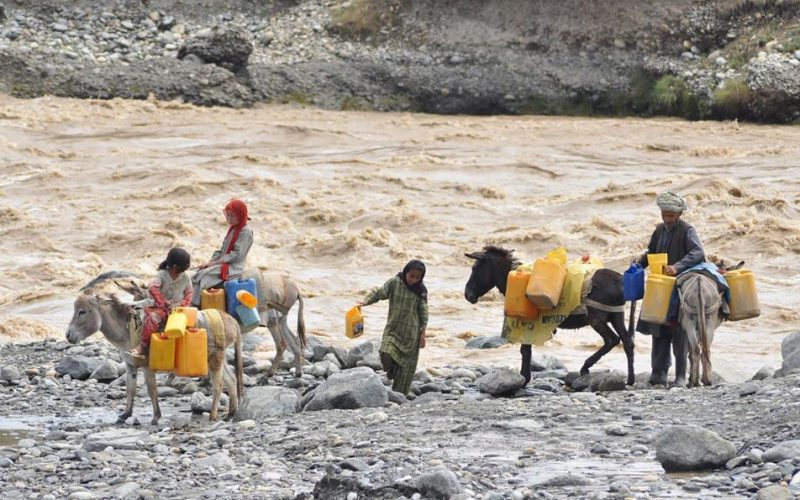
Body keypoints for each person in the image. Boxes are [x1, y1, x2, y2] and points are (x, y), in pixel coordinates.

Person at [635, 190, 706, 386]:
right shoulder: (659, 230)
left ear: (679, 215)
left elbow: (698, 252)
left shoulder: (687, 230)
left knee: (679, 331)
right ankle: (658, 374)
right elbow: (651, 252)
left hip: (680, 286)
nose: (667, 219)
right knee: (658, 329)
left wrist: (677, 266)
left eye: (671, 216)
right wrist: (637, 266)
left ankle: (681, 376)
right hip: (660, 286)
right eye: (664, 215)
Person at [358, 259, 429, 395]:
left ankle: (398, 402)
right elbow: (380, 293)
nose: (413, 280)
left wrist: (423, 333)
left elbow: (424, 313)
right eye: (411, 275)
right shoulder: (394, 282)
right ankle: (391, 370)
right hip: (393, 330)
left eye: (417, 277)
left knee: (402, 382)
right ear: (405, 271)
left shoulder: (421, 292)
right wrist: (366, 301)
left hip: (411, 335)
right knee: (385, 353)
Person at [128, 247, 193, 359]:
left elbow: (189, 293)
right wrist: (162, 301)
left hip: (178, 310)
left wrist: (181, 304)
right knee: (152, 318)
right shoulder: (162, 274)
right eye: (181, 268)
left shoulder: (186, 278)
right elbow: (153, 288)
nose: (183, 271)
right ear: (174, 267)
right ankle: (142, 347)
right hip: (161, 308)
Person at [191, 199, 253, 306]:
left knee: (202, 276)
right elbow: (222, 250)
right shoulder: (233, 228)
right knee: (199, 271)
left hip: (233, 267)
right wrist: (210, 262)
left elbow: (237, 255)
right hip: (223, 262)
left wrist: (216, 263)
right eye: (228, 215)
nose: (229, 219)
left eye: (232, 216)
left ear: (240, 215)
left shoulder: (245, 232)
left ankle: (195, 304)